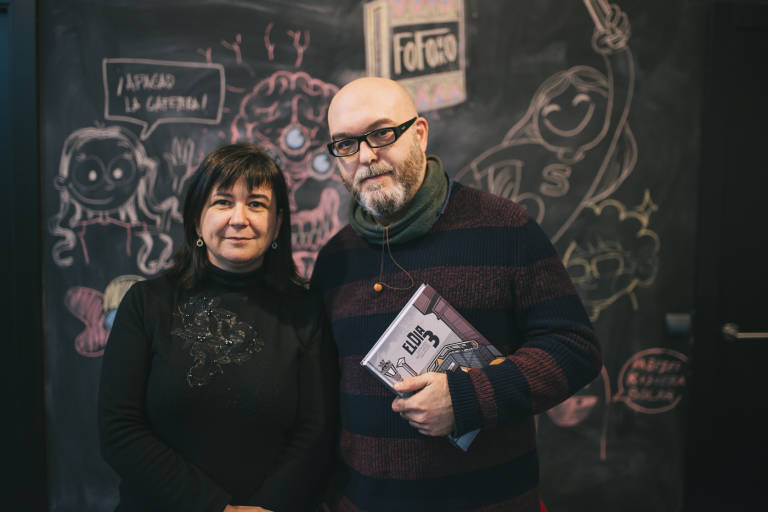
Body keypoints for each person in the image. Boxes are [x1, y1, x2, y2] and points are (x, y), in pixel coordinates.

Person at [310, 77, 602, 511]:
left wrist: (470, 398)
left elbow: (575, 348)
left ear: (420, 133)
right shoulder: (334, 260)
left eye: (381, 133)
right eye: (345, 144)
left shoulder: (505, 229)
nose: (366, 156)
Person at [98, 143, 336, 512]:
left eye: (256, 204)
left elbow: (316, 432)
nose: (239, 218)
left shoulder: (305, 311)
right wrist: (217, 508)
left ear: (277, 225)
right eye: (223, 202)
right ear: (197, 220)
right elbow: (119, 429)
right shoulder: (146, 304)